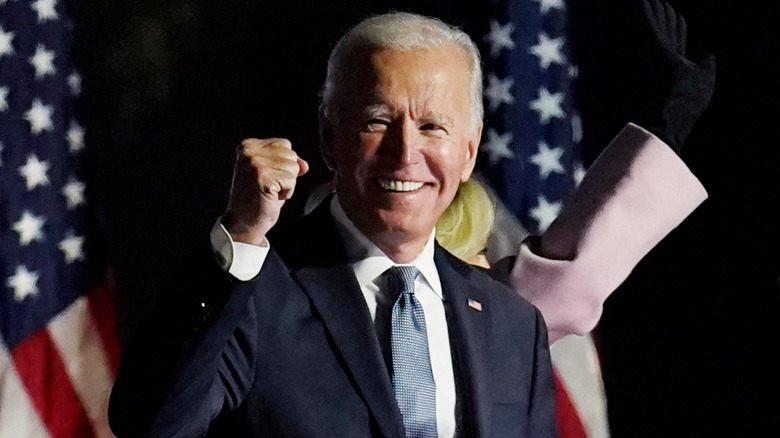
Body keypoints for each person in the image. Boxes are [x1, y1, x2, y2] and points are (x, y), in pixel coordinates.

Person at [109, 2, 714, 437]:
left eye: (432, 127)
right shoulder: (257, 293)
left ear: (470, 150)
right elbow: (155, 422)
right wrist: (242, 236)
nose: (405, 154)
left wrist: (665, 133)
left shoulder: (509, 324)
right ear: (329, 137)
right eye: (377, 121)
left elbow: (566, 272)